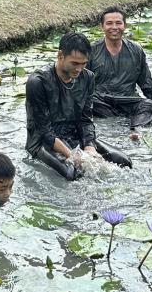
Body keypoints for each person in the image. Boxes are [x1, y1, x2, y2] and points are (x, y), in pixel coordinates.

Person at [25, 32, 132, 181]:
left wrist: (89, 147)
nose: (79, 69)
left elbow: (86, 118)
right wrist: (71, 155)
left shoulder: (87, 77)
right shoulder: (38, 82)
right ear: (60, 55)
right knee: (72, 173)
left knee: (123, 162)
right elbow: (44, 131)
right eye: (75, 63)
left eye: (84, 64)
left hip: (75, 135)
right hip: (43, 141)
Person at [87, 8, 152, 134]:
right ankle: (117, 122)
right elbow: (81, 82)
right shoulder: (91, 51)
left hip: (128, 100)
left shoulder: (136, 50)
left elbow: (146, 81)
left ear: (125, 26)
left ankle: (135, 129)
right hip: (101, 101)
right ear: (102, 27)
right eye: (109, 23)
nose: (114, 27)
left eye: (118, 23)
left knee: (149, 105)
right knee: (88, 103)